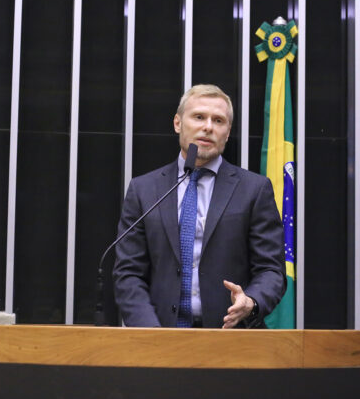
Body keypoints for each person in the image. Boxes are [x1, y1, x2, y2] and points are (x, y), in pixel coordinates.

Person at [113, 84, 285, 328]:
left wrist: (251, 302)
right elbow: (128, 273)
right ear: (177, 123)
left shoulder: (254, 190)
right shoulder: (144, 190)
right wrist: (151, 333)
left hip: (231, 336)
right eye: (199, 117)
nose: (208, 127)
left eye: (218, 120)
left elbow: (271, 270)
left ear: (228, 132)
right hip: (159, 336)